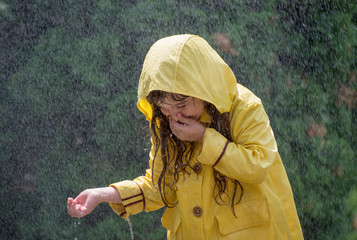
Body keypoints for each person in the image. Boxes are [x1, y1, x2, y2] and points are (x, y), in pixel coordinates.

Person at [67, 34, 304, 239]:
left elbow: (258, 165)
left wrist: (204, 136)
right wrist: (104, 194)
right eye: (166, 109)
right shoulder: (165, 121)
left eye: (182, 105)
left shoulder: (245, 108)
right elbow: (160, 187)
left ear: (203, 87)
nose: (175, 117)